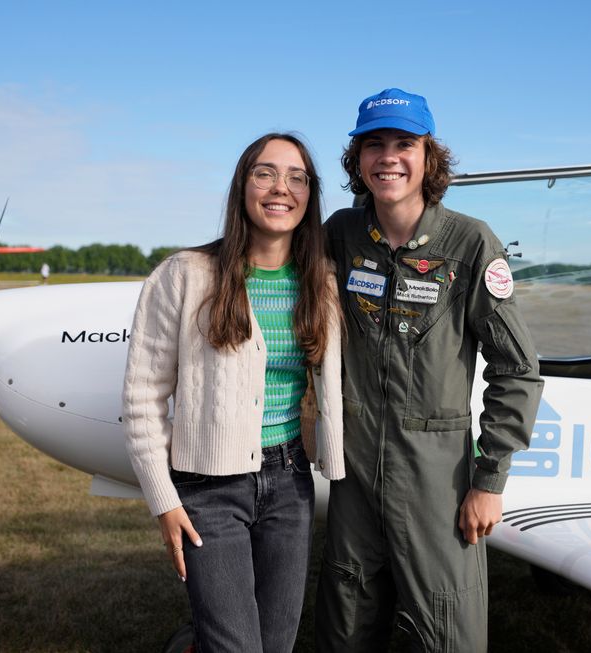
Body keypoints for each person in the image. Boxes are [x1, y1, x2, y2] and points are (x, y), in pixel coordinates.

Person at [315, 89, 544, 652]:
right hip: (354, 474)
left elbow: (517, 369)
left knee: (448, 630)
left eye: (404, 143)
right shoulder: (340, 235)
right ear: (357, 159)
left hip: (436, 479)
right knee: (344, 622)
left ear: (428, 157)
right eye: (374, 144)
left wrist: (488, 482)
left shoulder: (469, 243)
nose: (388, 157)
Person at [122, 132, 345, 653]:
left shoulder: (323, 283)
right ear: (242, 186)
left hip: (289, 485)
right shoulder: (184, 275)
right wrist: (163, 501)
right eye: (264, 173)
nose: (280, 188)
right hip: (209, 489)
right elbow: (141, 399)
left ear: (309, 195)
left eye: (296, 177)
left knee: (276, 645)